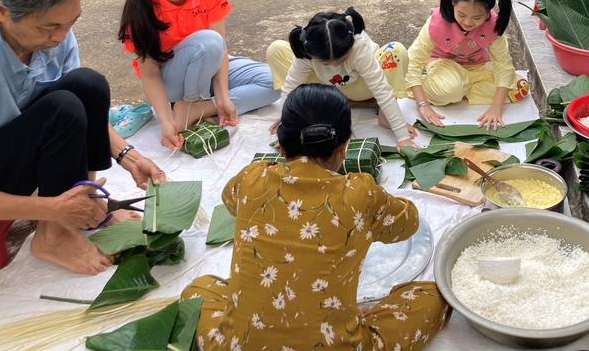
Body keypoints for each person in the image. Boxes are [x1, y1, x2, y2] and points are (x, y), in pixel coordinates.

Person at [181, 84, 450, 350]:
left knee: (199, 287)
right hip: (336, 346)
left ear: (281, 144)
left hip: (236, 346)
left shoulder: (252, 178)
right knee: (432, 297)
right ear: (344, 147)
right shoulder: (360, 193)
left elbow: (231, 202)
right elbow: (409, 223)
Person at [0, 0, 165, 274]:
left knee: (88, 84)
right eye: (49, 27)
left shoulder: (58, 36)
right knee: (61, 106)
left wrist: (130, 156)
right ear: (2, 11)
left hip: (23, 147)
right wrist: (50, 208)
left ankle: (84, 202)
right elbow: (61, 113)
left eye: (71, 23)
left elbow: (85, 108)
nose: (61, 36)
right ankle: (53, 234)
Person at [118, 0, 279, 150]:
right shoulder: (141, 11)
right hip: (172, 80)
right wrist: (166, 122)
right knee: (208, 42)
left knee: (273, 82)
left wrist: (222, 98)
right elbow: (149, 73)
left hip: (210, 62)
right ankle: (185, 104)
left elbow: (221, 49)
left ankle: (198, 110)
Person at [266, 8, 419, 149]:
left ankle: (385, 117)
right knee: (276, 49)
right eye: (325, 63)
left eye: (341, 60)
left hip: (359, 87)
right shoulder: (306, 49)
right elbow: (291, 85)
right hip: (326, 88)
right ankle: (310, 108)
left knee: (396, 51)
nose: (333, 66)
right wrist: (287, 125)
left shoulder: (358, 46)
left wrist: (402, 137)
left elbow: (382, 90)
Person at [406, 0, 529, 130]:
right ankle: (448, 89)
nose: (468, 22)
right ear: (453, 4)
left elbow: (503, 66)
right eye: (461, 14)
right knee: (451, 89)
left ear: (488, 12)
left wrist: (496, 108)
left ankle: (459, 91)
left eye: (477, 18)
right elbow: (413, 61)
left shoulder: (493, 25)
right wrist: (422, 104)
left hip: (476, 67)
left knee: (521, 87)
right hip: (442, 65)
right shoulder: (436, 23)